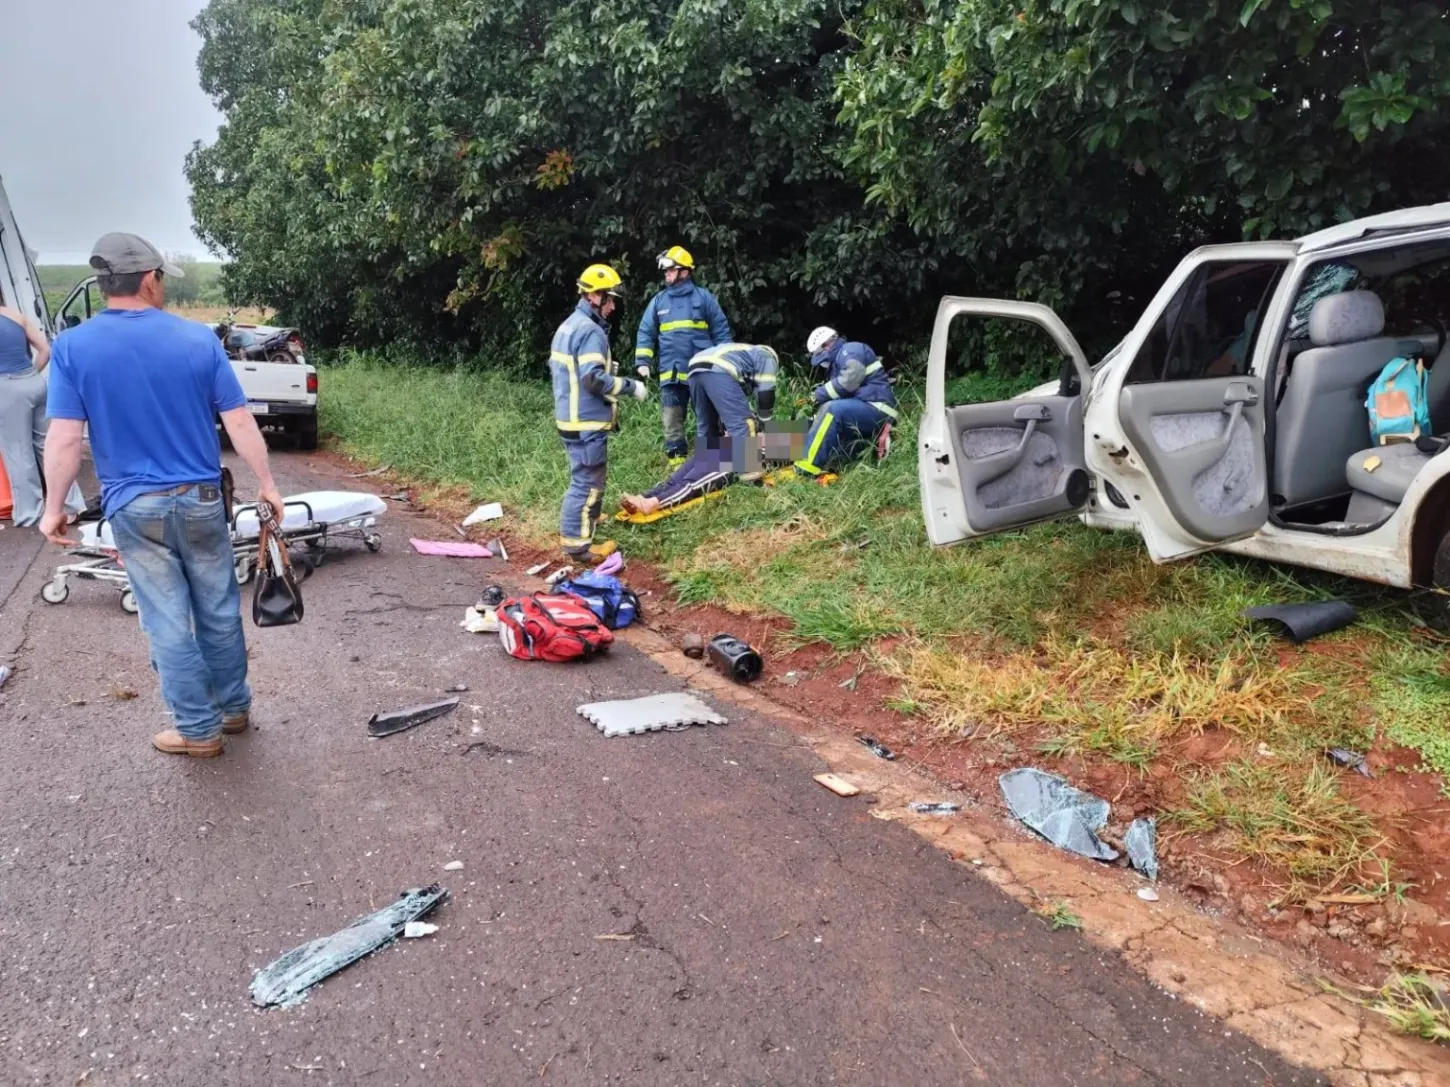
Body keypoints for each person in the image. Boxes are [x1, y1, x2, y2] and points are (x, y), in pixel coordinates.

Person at [38, 232, 284, 759]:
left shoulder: (73, 347)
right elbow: (238, 421)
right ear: (149, 279)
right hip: (199, 499)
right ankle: (234, 709)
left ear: (105, 283)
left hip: (134, 506)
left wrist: (54, 507)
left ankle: (198, 730)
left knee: (168, 619)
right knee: (218, 608)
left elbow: (63, 437)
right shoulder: (198, 341)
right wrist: (268, 485)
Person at [551, 263, 649, 562]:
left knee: (585, 478)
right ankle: (578, 546)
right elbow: (592, 378)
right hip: (586, 420)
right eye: (611, 298)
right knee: (588, 481)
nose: (613, 305)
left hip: (569, 417)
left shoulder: (569, 325)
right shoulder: (590, 331)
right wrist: (631, 387)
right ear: (595, 296)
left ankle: (588, 520)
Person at [634, 246, 732, 465]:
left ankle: (712, 461)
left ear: (685, 272)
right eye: (666, 271)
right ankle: (677, 461)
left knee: (707, 418)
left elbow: (721, 331)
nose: (666, 274)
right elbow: (646, 331)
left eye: (670, 270)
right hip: (672, 373)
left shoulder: (704, 298)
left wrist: (727, 363)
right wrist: (643, 361)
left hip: (702, 373)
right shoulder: (659, 301)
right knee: (672, 419)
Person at [0, 301, 84, 526]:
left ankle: (30, 514)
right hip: (34, 382)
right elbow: (46, 350)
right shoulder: (15, 315)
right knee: (49, 447)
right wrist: (30, 376)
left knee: (18, 453)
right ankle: (72, 506)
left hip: (6, 388)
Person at [791, 326, 897, 477]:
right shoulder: (837, 363)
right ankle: (760, 454)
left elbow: (848, 382)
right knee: (813, 422)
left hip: (878, 407)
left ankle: (805, 469)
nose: (823, 363)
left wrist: (817, 395)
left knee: (832, 410)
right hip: (862, 407)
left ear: (828, 344)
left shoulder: (851, 350)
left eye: (821, 356)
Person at [686, 342, 779, 465]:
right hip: (721, 368)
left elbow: (729, 403)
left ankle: (705, 466)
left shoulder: (744, 353)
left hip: (695, 367)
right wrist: (765, 426)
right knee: (743, 424)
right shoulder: (767, 357)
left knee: (707, 424)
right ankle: (748, 471)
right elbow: (766, 394)